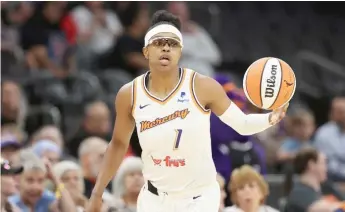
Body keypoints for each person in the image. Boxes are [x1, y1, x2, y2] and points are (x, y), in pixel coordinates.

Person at [86, 10, 288, 212]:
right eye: (159, 43)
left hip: (198, 197)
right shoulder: (129, 94)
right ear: (146, 51)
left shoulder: (203, 86)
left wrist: (271, 118)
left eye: (172, 44)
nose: (165, 49)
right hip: (154, 197)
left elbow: (242, 124)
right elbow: (118, 144)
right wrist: (97, 192)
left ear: (180, 51)